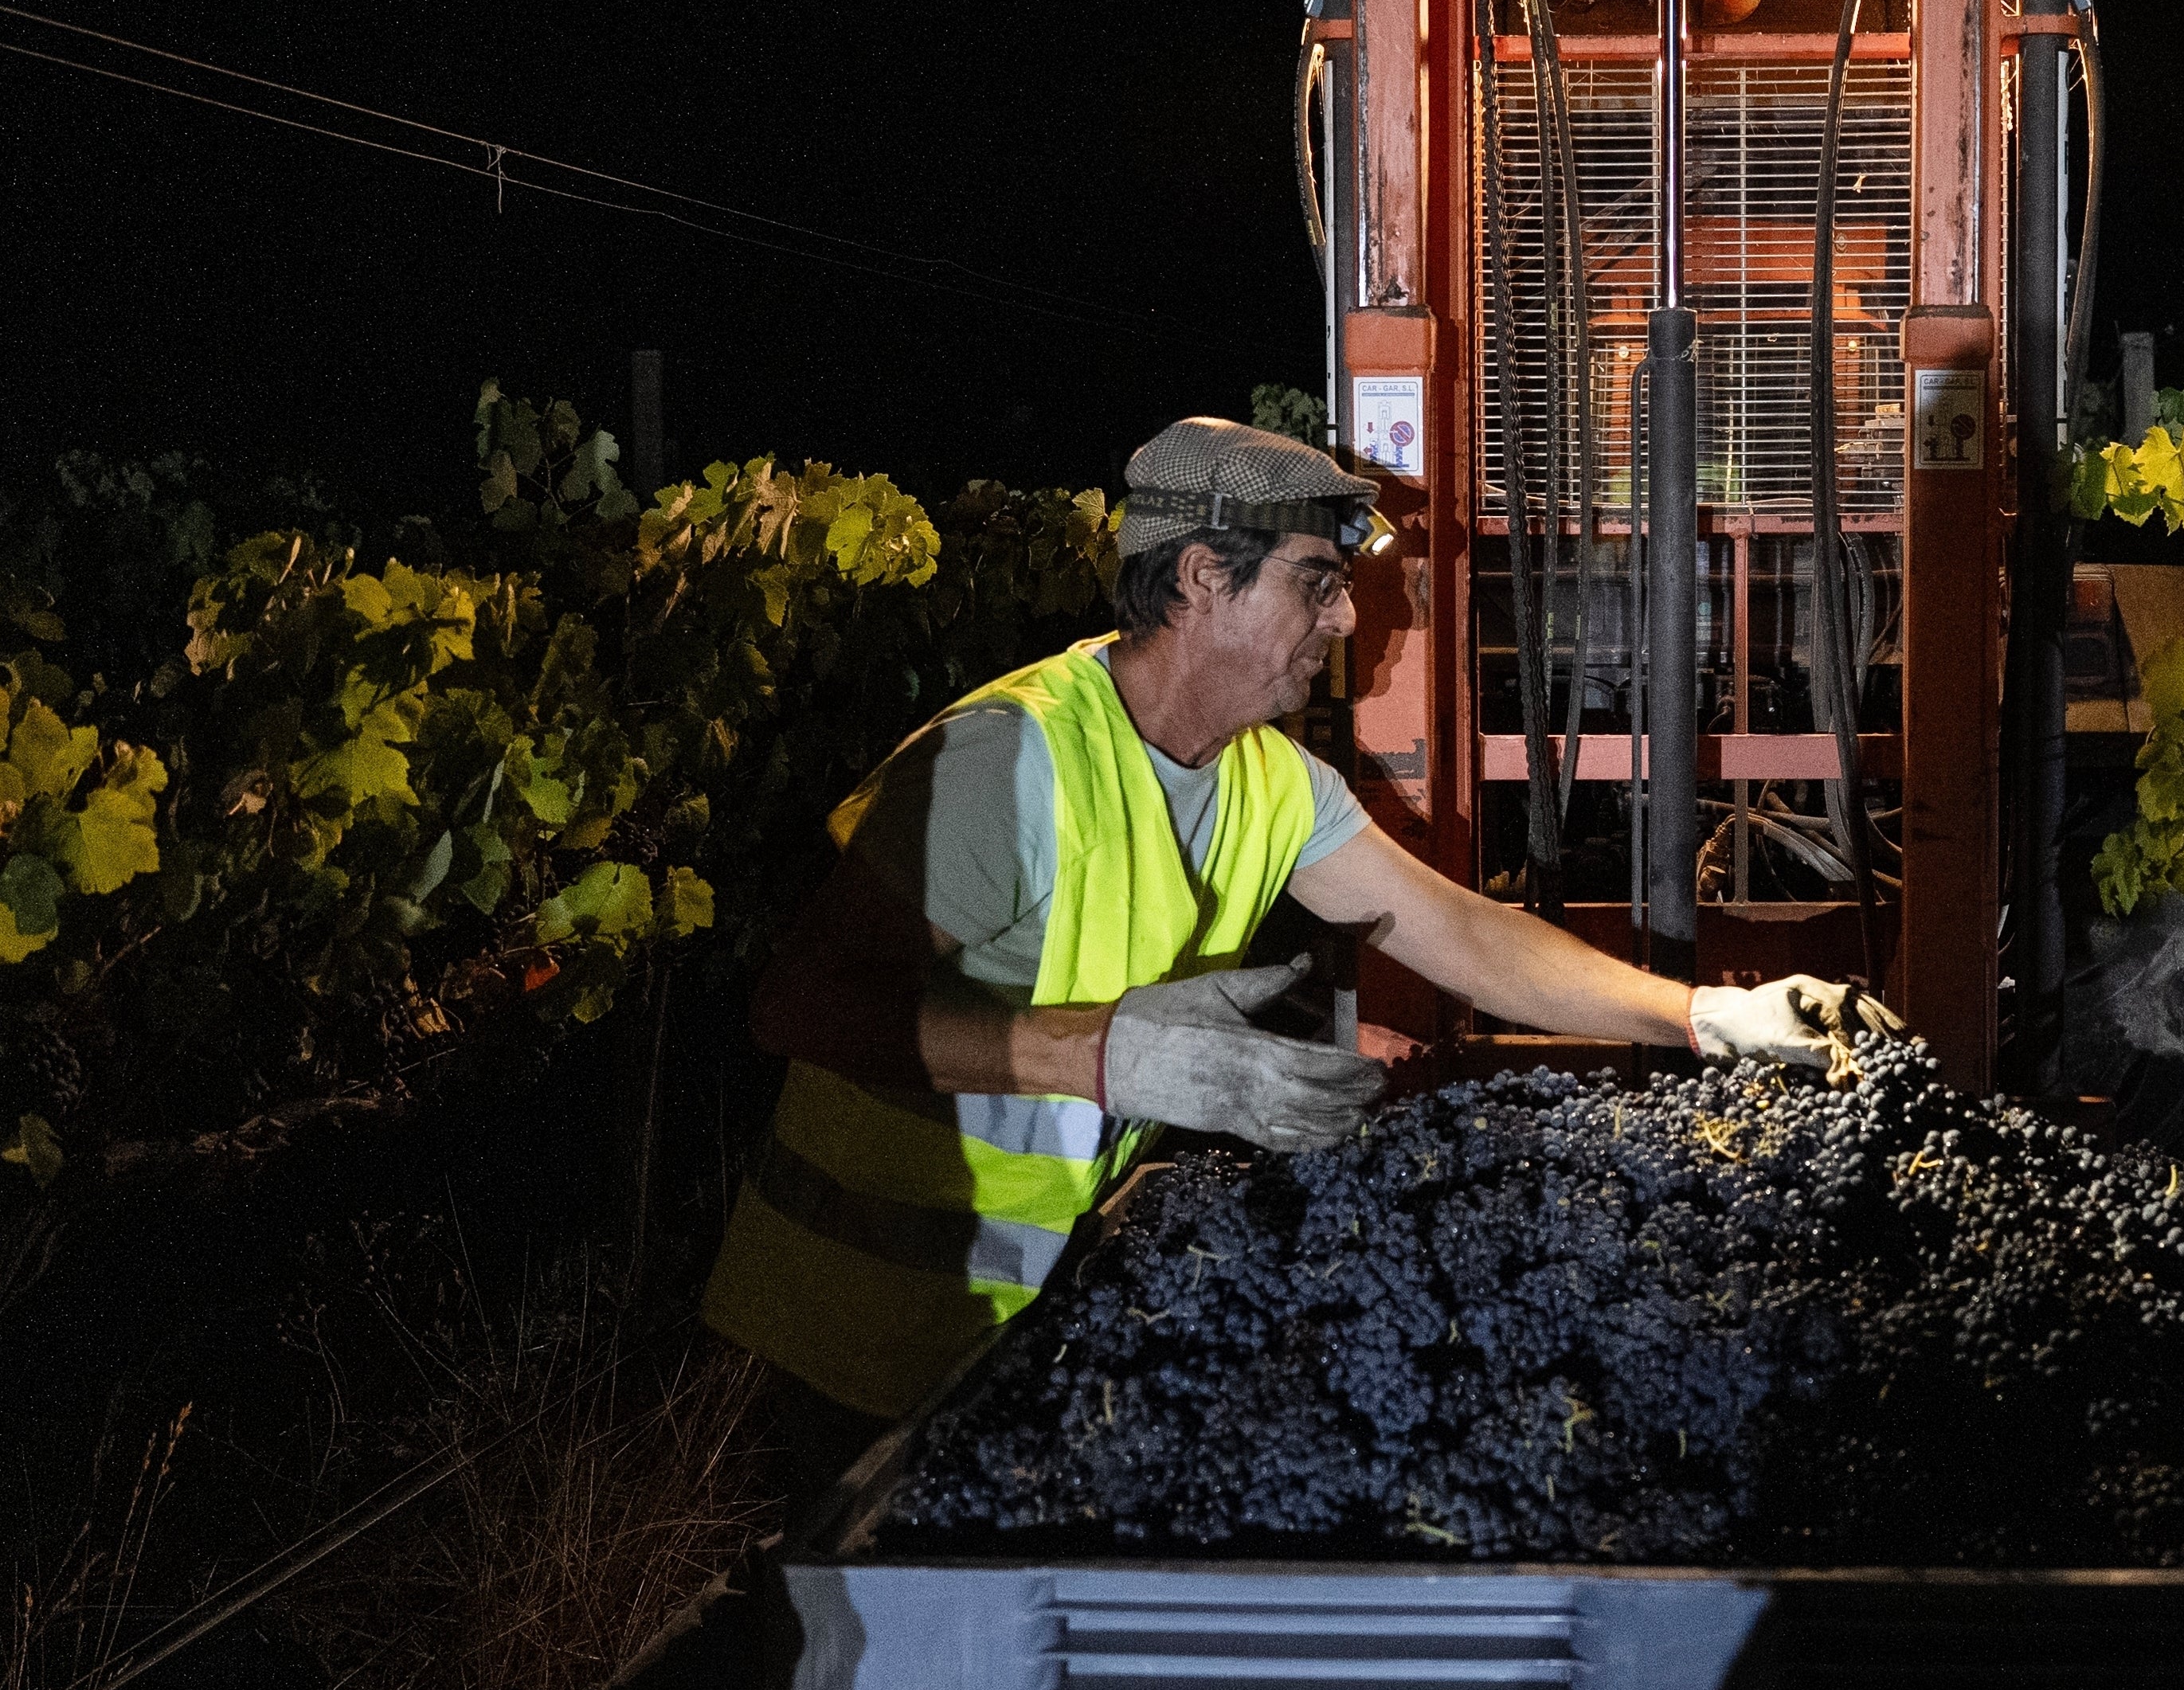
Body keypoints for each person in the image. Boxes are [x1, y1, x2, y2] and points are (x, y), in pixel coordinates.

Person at [702, 415, 1874, 1499]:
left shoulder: (1271, 781)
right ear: (1204, 578)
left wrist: (1701, 1018)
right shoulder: (1006, 762)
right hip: (844, 1346)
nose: (1348, 619)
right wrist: (1097, 1052)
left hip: (1027, 1326)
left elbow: (1462, 932)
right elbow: (796, 1005)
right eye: (1317, 584)